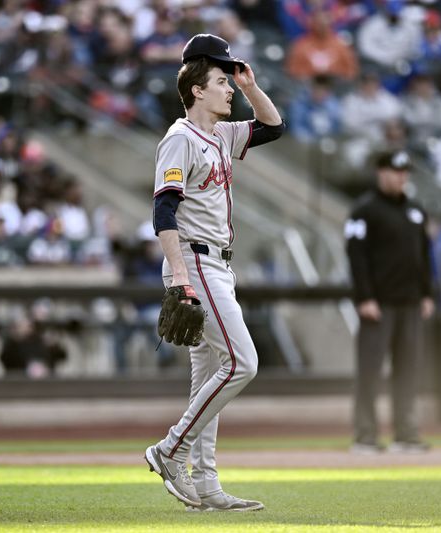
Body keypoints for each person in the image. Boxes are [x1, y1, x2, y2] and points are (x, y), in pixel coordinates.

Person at [145, 33, 284, 511]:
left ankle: (206, 485)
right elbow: (163, 214)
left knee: (208, 376)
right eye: (222, 81)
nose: (229, 88)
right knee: (242, 363)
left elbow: (274, 126)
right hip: (196, 263)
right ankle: (170, 449)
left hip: (220, 265)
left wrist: (249, 85)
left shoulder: (222, 134)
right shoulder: (180, 139)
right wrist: (181, 276)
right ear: (197, 89)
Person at [345, 150, 434, 455]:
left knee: (408, 370)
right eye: (396, 171)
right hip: (379, 305)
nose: (401, 177)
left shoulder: (415, 210)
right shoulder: (364, 210)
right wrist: (365, 297)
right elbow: (356, 257)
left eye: (405, 172)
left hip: (410, 302)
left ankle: (406, 434)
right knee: (370, 371)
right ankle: (365, 436)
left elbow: (423, 255)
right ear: (381, 172)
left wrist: (427, 293)